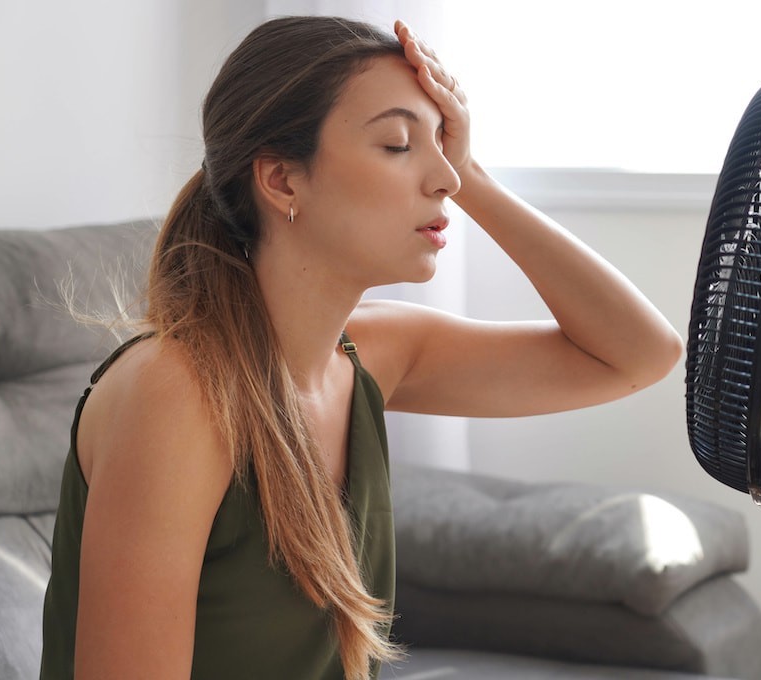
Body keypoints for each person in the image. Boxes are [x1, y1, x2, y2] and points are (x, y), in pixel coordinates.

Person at [39, 15, 683, 680]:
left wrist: (476, 175)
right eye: (399, 145)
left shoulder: (372, 355)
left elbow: (640, 355)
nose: (446, 181)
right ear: (284, 181)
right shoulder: (178, 394)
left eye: (443, 146)